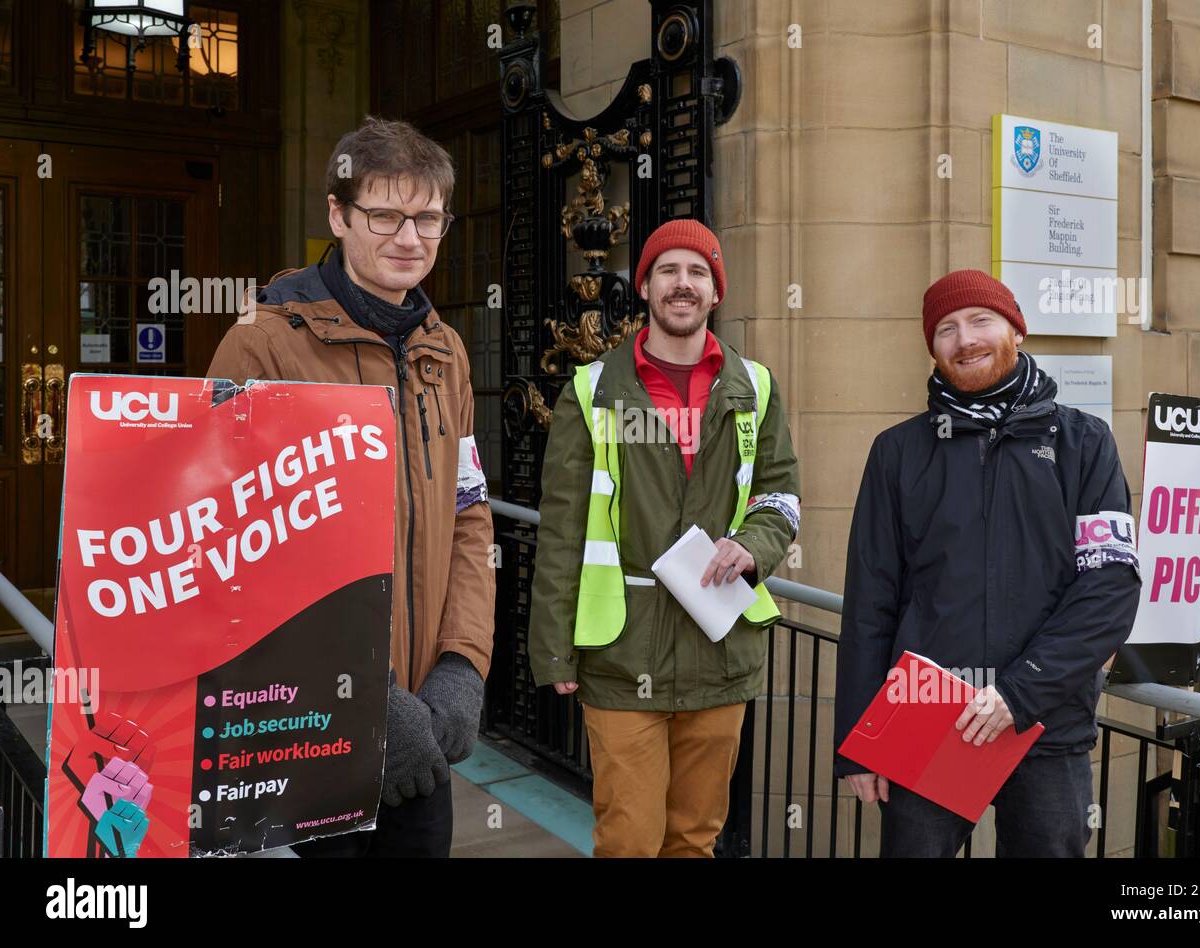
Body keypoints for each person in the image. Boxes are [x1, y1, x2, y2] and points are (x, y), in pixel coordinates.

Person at [206, 116, 494, 857]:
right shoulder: (263, 342)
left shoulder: (446, 351)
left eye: (427, 217)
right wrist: (363, 692)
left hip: (421, 730)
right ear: (337, 216)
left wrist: (462, 664)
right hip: (305, 724)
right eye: (385, 215)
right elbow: (232, 545)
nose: (410, 237)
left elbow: (469, 516)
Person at [833, 268, 1141, 857]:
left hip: (1044, 725)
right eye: (945, 329)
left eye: (981, 321)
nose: (965, 339)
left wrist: (1018, 694)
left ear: (1016, 331)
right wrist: (858, 741)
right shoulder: (897, 452)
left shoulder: (1085, 443)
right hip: (924, 724)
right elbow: (869, 603)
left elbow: (1109, 587)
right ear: (933, 348)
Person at [529, 219, 800, 857]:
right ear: (645, 286)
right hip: (623, 654)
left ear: (716, 291)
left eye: (698, 272)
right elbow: (563, 527)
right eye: (669, 271)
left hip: (721, 650)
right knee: (629, 840)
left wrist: (755, 546)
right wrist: (553, 649)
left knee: (694, 840)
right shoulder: (592, 389)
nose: (684, 284)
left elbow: (780, 495)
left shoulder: (756, 387)